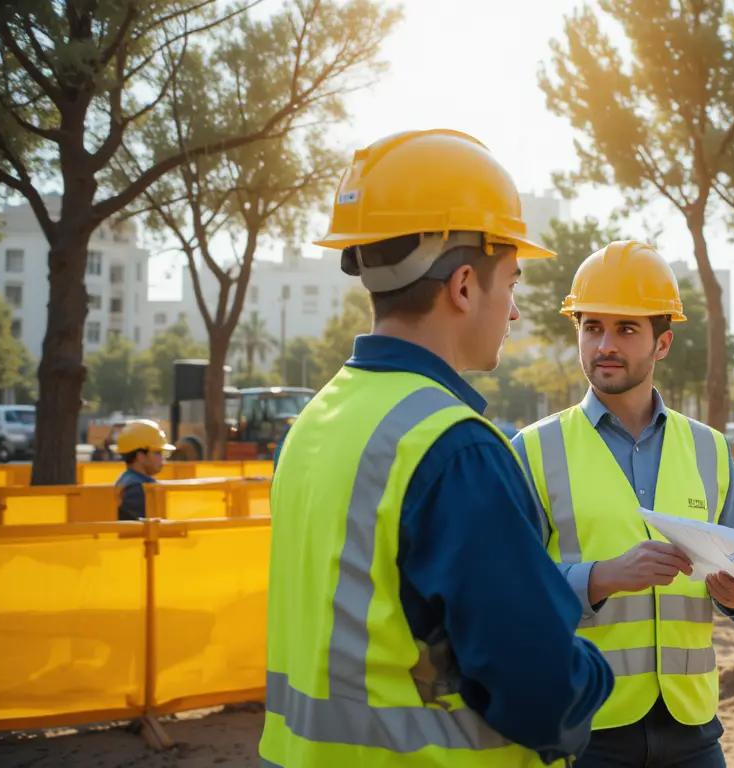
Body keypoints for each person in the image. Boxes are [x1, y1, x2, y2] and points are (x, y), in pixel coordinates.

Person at [259, 130, 613, 768]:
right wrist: (593, 672)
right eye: (513, 283)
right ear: (465, 286)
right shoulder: (455, 450)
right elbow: (540, 688)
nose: (512, 312)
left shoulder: (314, 423)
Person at [514, 240, 734, 768]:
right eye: (592, 327)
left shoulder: (710, 448)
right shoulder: (534, 449)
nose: (605, 344)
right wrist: (600, 577)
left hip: (693, 727)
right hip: (584, 727)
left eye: (626, 329)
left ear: (663, 343)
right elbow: (510, 592)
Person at [113, 420, 173, 521]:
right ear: (140, 456)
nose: (162, 458)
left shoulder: (128, 481)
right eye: (158, 452)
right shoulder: (137, 488)